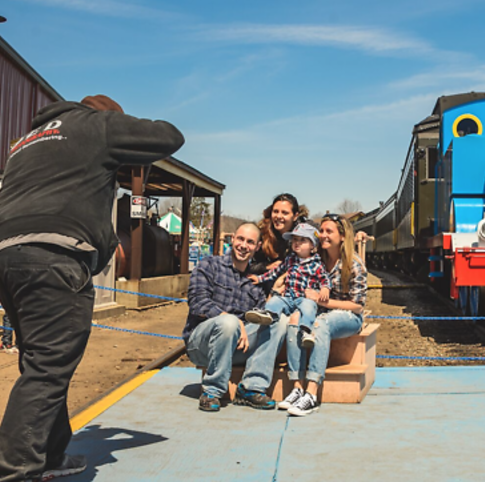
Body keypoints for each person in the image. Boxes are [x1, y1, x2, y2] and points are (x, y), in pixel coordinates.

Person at [0, 95, 184, 482]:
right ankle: (16, 472)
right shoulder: (97, 126)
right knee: (48, 371)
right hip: (55, 260)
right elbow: (169, 136)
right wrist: (121, 130)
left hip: (8, 258)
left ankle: (50, 455)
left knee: (42, 362)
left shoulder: (27, 141)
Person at [183, 222, 282, 412]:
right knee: (228, 322)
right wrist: (235, 322)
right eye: (241, 239)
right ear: (233, 239)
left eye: (250, 242)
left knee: (278, 321)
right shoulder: (209, 265)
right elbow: (197, 302)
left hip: (236, 346)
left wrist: (275, 292)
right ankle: (212, 391)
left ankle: (251, 387)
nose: (244, 246)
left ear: (257, 247)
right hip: (202, 344)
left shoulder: (257, 282)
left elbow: (261, 315)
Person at [278, 214, 367, 417]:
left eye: (329, 232)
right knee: (295, 319)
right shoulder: (318, 260)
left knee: (320, 324)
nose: (324, 235)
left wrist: (321, 300)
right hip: (321, 311)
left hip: (348, 317)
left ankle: (311, 394)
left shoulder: (354, 264)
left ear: (343, 236)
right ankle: (297, 387)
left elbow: (357, 306)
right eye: (322, 231)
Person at [245, 222, 331, 349]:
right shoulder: (290, 259)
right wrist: (259, 278)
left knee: (309, 307)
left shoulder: (317, 264)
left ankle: (306, 331)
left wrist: (325, 289)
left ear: (312, 246)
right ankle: (269, 314)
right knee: (275, 300)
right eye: (295, 239)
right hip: (288, 297)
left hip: (304, 299)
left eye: (302, 240)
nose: (297, 243)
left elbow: (325, 279)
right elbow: (276, 272)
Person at [249, 193, 307, 276]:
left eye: (285, 213)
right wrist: (266, 267)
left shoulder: (305, 234)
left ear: (295, 216)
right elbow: (250, 266)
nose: (279, 216)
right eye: (275, 211)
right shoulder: (263, 233)